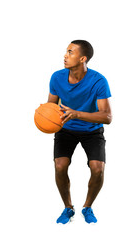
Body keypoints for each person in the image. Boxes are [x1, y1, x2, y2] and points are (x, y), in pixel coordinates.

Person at [47, 40, 112, 224]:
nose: (65, 55)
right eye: (66, 51)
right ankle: (68, 208)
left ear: (83, 58)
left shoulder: (98, 81)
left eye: (70, 52)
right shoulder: (56, 77)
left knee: (97, 169)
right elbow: (51, 107)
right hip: (65, 129)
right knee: (60, 166)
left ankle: (87, 207)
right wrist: (45, 119)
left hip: (92, 130)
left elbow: (107, 117)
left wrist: (77, 114)